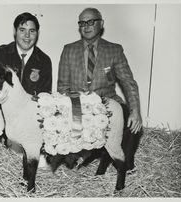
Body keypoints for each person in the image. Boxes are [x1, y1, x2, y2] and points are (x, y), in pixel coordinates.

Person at [57, 7, 142, 170]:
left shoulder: (114, 50)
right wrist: (73, 108)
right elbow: (62, 87)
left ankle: (126, 163)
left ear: (101, 24)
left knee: (133, 124)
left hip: (107, 101)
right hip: (78, 103)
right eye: (82, 23)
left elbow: (128, 82)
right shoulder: (69, 50)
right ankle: (84, 153)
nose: (86, 26)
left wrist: (135, 110)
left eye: (91, 22)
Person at [0, 12, 52, 174]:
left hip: (25, 115)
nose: (27, 35)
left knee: (32, 159)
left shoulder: (44, 60)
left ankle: (16, 146)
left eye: (32, 31)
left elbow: (45, 96)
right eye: (22, 30)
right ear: (15, 31)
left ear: (37, 33)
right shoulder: (2, 53)